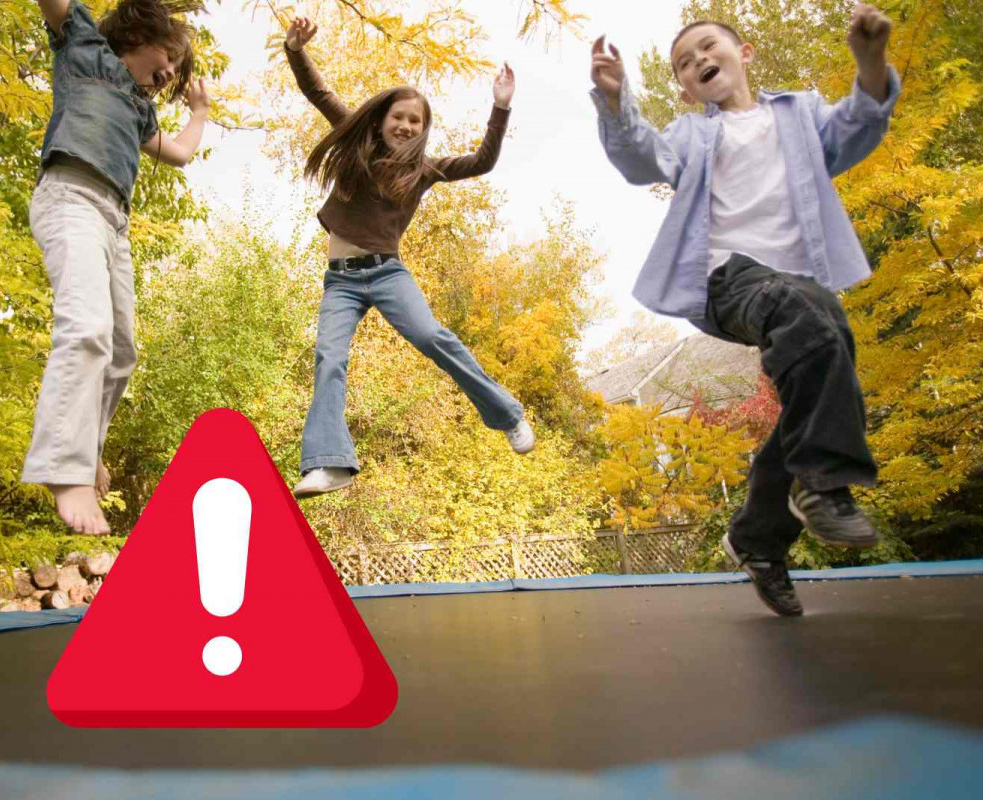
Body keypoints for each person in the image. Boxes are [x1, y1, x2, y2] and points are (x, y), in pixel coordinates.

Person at [589, 3, 900, 615]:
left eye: (708, 47)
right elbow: (641, 157)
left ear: (745, 53)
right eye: (685, 63)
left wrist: (870, 62)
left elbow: (859, 126)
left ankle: (758, 538)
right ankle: (824, 485)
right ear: (684, 88)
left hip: (799, 286)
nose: (699, 61)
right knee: (807, 314)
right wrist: (616, 100)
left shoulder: (800, 114)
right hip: (725, 279)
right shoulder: (692, 134)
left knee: (821, 367)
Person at [284, 16, 534, 499]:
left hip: (387, 275)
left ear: (423, 129)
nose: (405, 125)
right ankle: (330, 463)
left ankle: (507, 415)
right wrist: (295, 50)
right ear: (382, 119)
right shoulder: (356, 141)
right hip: (340, 281)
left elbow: (482, 162)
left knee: (433, 337)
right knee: (329, 357)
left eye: (414, 121)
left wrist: (500, 108)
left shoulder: (425, 170)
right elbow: (319, 92)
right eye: (398, 117)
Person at [23, 0, 209, 534]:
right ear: (139, 35)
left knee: (122, 350)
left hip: (113, 221)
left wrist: (199, 112)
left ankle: (87, 452)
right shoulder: (86, 51)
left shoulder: (139, 108)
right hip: (70, 196)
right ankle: (66, 469)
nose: (171, 72)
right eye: (169, 57)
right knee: (86, 328)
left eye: (177, 67)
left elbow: (178, 153)